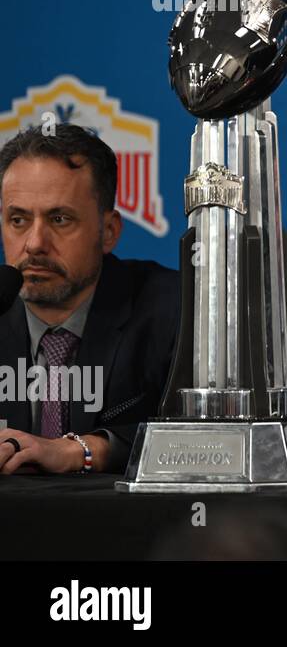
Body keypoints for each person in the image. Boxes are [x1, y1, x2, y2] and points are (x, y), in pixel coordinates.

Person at [0, 124, 180, 474]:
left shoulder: (173, 310)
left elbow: (208, 440)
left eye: (60, 219)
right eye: (18, 219)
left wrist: (83, 450)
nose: (35, 243)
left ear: (108, 231)